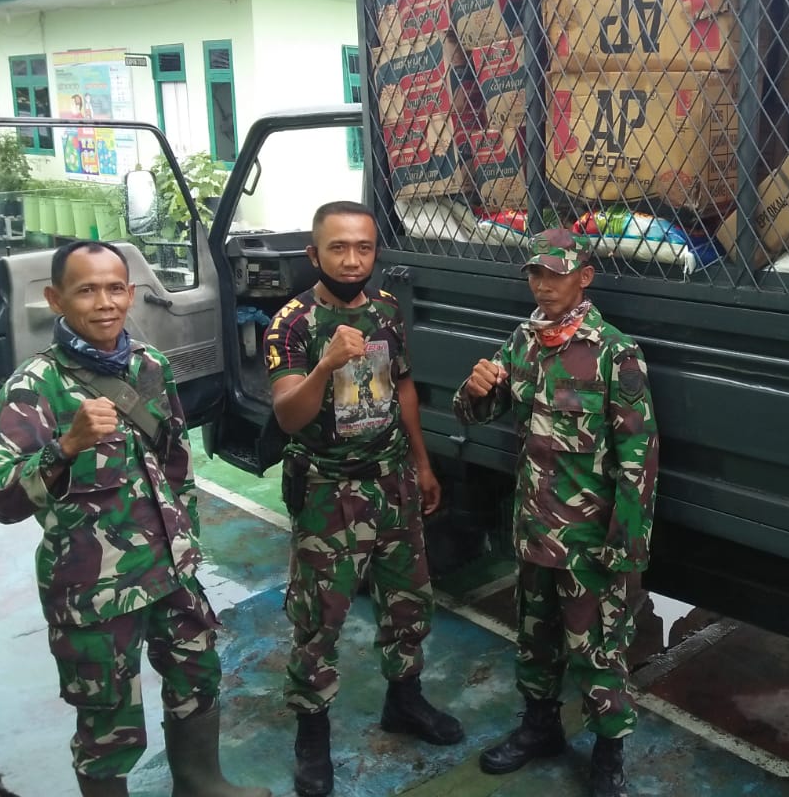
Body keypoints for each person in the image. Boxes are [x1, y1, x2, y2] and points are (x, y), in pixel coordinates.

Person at [0, 240, 268, 797]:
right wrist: (64, 448)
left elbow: (175, 462)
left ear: (132, 293)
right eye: (86, 290)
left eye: (115, 288)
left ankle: (200, 781)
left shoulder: (149, 366)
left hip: (170, 573)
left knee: (197, 674)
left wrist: (186, 538)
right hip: (95, 590)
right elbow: (0, 499)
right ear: (55, 299)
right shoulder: (32, 387)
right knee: (106, 716)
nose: (105, 302)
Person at [262, 200, 462, 797]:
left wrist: (422, 465)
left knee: (408, 601)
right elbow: (289, 415)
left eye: (364, 248)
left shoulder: (385, 310)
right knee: (319, 618)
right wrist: (326, 365)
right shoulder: (292, 324)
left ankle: (404, 701)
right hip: (328, 489)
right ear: (314, 254)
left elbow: (401, 386)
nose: (352, 261)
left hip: (392, 480)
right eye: (338, 248)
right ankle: (312, 736)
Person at [452, 228, 660, 797]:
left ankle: (608, 755)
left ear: (584, 276)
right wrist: (474, 388)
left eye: (555, 273)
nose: (543, 285)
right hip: (533, 528)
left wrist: (625, 546)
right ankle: (539, 728)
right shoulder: (523, 343)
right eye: (535, 275)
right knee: (534, 638)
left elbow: (638, 460)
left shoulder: (615, 353)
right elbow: (478, 411)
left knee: (598, 649)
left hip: (589, 539)